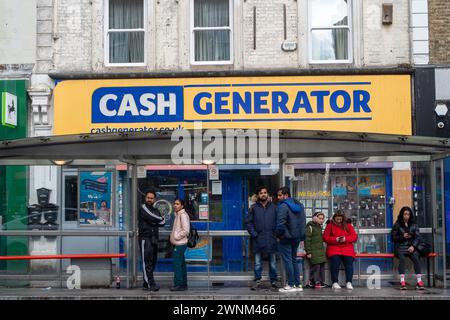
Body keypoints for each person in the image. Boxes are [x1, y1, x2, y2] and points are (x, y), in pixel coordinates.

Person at [245, 186, 279, 290]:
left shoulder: (274, 207)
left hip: (271, 238)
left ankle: (273, 281)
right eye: (261, 193)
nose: (263, 194)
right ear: (258, 195)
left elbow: (279, 222)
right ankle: (257, 280)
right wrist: (254, 234)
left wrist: (276, 233)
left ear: (267, 194)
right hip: (258, 239)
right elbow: (248, 223)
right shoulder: (254, 208)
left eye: (265, 192)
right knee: (258, 262)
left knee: (273, 262)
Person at [275, 187, 306, 293]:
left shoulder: (283, 206)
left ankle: (291, 284)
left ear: (286, 195)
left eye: (280, 195)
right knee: (293, 260)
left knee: (288, 260)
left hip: (286, 237)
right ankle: (298, 284)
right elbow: (303, 222)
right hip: (296, 237)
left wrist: (278, 235)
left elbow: (280, 223)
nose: (278, 197)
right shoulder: (299, 205)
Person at [323, 210, 358, 290]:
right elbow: (325, 237)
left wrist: (345, 239)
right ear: (334, 218)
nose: (339, 221)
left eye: (340, 219)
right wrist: (336, 239)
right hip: (334, 247)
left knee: (349, 262)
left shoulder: (348, 225)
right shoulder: (329, 225)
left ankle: (349, 282)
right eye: (337, 219)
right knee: (335, 262)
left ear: (343, 219)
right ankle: (335, 282)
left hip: (347, 247)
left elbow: (354, 236)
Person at [391, 206, 424, 290]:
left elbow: (418, 237)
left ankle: (419, 281)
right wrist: (402, 236)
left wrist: (413, 246)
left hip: (410, 247)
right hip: (400, 247)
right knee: (401, 259)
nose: (406, 216)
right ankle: (402, 281)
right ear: (402, 214)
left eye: (408, 214)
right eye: (405, 214)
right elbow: (393, 237)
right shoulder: (397, 224)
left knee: (416, 258)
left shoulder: (414, 224)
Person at [138, 190, 165, 291]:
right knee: (147, 262)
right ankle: (150, 283)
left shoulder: (155, 210)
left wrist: (155, 220)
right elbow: (156, 218)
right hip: (145, 238)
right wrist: (157, 219)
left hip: (154, 239)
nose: (149, 199)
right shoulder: (143, 207)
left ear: (154, 199)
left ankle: (146, 283)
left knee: (153, 261)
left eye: (151, 198)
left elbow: (162, 222)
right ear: (145, 198)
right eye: (148, 198)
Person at [170, 199, 190, 291]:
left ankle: (178, 284)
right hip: (179, 243)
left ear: (182, 206)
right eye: (174, 204)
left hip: (180, 244)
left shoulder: (182, 215)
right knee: (181, 264)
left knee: (177, 264)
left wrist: (176, 237)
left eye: (177, 204)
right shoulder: (178, 214)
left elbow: (186, 230)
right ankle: (183, 284)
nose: (175, 205)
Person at [305, 212, 327, 288]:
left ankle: (320, 281)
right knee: (316, 267)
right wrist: (309, 252)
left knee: (321, 267)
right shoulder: (310, 227)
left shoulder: (319, 227)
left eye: (322, 218)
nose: (321, 220)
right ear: (315, 218)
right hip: (314, 251)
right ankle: (313, 281)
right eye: (319, 218)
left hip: (320, 251)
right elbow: (307, 240)